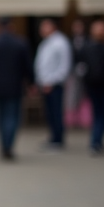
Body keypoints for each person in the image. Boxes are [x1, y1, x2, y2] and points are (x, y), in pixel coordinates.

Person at [0, 17, 33, 160]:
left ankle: (4, 145)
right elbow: (27, 67)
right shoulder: (20, 43)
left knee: (1, 117)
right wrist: (31, 83)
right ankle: (8, 146)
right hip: (15, 85)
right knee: (13, 117)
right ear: (11, 26)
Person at [35, 18, 71, 152]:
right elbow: (42, 64)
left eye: (45, 27)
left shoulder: (60, 42)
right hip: (45, 84)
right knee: (50, 113)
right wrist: (40, 80)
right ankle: (53, 137)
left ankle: (58, 139)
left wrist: (53, 81)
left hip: (54, 84)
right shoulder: (46, 43)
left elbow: (64, 66)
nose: (42, 30)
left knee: (56, 112)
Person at [78, 19, 104, 154]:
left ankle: (97, 141)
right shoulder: (87, 47)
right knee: (99, 114)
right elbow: (80, 66)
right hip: (93, 86)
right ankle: (96, 141)